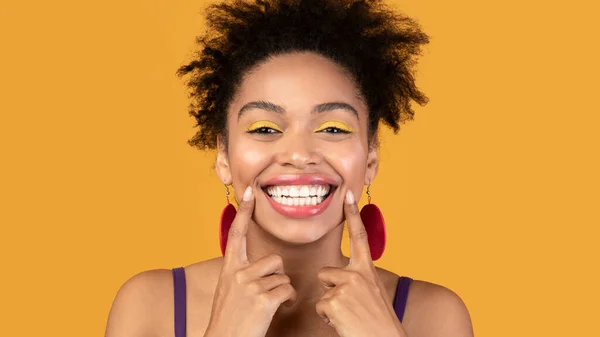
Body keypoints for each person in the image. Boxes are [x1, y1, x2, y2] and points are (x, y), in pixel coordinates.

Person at [105, 0, 474, 336]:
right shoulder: (150, 307)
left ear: (371, 159)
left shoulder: (433, 316)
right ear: (223, 156)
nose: (299, 154)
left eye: (333, 128)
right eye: (265, 128)